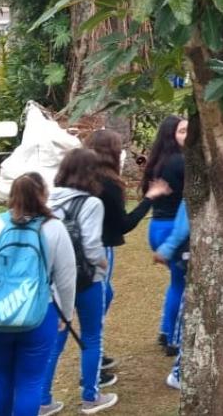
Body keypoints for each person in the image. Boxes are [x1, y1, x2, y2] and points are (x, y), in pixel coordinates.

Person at [0, 173, 76, 416]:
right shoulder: (54, 228)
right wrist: (67, 313)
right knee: (31, 382)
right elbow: (66, 278)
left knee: (1, 378)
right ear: (43, 195)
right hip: (41, 314)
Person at [41, 149, 117, 415]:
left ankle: (42, 399)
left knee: (56, 339)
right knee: (92, 337)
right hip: (87, 280)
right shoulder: (92, 204)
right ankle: (91, 396)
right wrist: (103, 265)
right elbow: (92, 247)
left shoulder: (47, 201)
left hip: (54, 283)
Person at [85, 130, 139, 373]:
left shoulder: (80, 177)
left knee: (106, 293)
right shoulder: (109, 184)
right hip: (100, 249)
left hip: (77, 247)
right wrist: (150, 198)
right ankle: (92, 364)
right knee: (99, 299)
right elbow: (123, 224)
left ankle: (93, 350)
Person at [139, 116, 187, 355]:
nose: (187, 136)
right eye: (182, 131)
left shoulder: (158, 161)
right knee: (181, 284)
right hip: (172, 228)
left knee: (177, 282)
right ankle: (173, 339)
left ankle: (166, 330)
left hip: (157, 226)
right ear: (171, 135)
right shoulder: (180, 162)